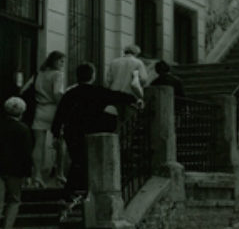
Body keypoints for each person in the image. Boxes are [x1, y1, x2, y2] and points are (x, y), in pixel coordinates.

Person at [52, 63, 140, 207]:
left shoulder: (70, 93)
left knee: (78, 160)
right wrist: (136, 100)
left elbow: (60, 114)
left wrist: (56, 132)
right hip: (92, 130)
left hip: (72, 131)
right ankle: (76, 192)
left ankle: (73, 192)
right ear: (92, 76)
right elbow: (119, 96)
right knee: (88, 161)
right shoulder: (97, 91)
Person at [24, 51, 65, 187]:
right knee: (60, 142)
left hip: (40, 109)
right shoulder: (57, 75)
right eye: (61, 61)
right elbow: (56, 93)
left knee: (38, 144)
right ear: (54, 61)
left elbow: (24, 89)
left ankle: (37, 175)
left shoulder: (39, 74)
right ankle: (60, 173)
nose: (63, 64)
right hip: (54, 110)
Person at [0, 97, 34, 229]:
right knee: (14, 200)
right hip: (15, 170)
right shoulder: (23, 129)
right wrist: (28, 175)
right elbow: (26, 154)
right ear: (21, 112)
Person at [105, 44, 148, 130]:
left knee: (116, 122)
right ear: (136, 53)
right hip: (130, 96)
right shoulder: (138, 63)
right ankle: (125, 142)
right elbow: (143, 79)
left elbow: (108, 80)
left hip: (115, 96)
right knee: (129, 124)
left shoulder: (114, 62)